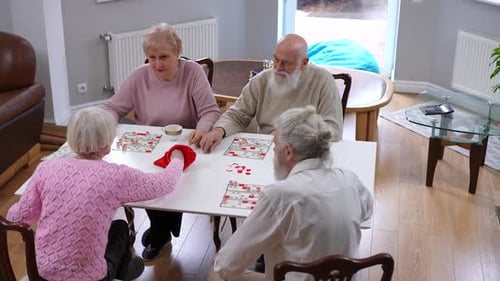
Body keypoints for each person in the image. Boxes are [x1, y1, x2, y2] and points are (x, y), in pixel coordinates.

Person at [6, 106, 190, 281]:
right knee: (119, 227)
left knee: (101, 215)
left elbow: (17, 217)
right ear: (107, 143)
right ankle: (123, 268)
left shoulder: (46, 168)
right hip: (92, 277)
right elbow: (163, 184)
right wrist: (177, 159)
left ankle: (123, 267)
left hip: (43, 273)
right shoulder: (115, 175)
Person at [207, 106, 373, 281]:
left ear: (288, 152)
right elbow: (367, 212)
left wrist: (220, 258)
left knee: (214, 273)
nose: (273, 150)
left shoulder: (280, 195)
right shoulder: (350, 180)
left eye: (276, 144)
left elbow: (226, 266)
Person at [103, 23, 221, 260]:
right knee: (145, 183)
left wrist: (202, 129)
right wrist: (100, 124)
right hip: (150, 149)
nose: (157, 64)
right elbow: (113, 107)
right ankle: (160, 232)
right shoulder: (139, 76)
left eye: (164, 57)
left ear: (178, 53)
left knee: (177, 185)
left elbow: (210, 111)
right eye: (152, 57)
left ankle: (159, 233)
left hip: (186, 146)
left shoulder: (193, 72)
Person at [199, 34, 343, 153]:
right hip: (268, 149)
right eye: (276, 59)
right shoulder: (261, 80)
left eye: (286, 63)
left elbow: (333, 130)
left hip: (306, 152)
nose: (278, 67)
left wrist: (291, 136)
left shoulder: (323, 80)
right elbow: (237, 115)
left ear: (304, 62)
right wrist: (219, 130)